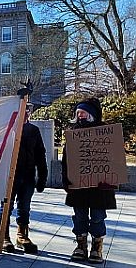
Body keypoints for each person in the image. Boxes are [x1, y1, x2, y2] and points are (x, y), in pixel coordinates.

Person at [62, 98, 116, 264]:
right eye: (78, 113)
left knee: (98, 217)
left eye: (83, 112)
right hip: (78, 187)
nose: (80, 116)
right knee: (80, 217)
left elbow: (113, 160)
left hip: (100, 187)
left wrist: (111, 179)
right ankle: (81, 246)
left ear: (92, 114)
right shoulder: (73, 133)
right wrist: (67, 182)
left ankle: (96, 248)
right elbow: (66, 161)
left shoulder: (105, 133)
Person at [0, 104, 47, 254]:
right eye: (22, 111)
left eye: (27, 111)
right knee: (6, 206)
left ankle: (22, 235)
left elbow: (40, 153)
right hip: (9, 175)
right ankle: (4, 236)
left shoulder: (33, 130)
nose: (25, 114)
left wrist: (42, 176)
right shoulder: (6, 129)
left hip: (28, 175)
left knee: (24, 207)